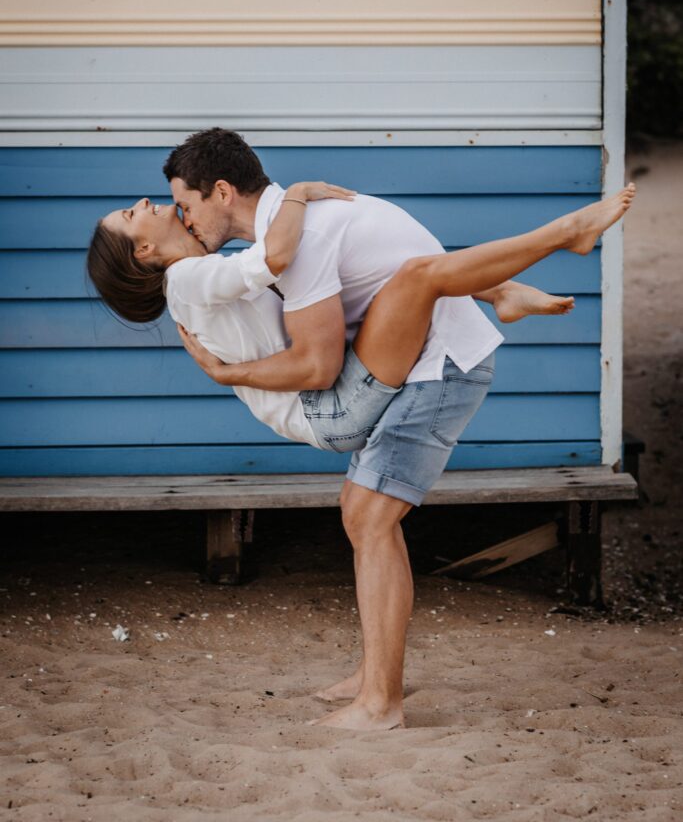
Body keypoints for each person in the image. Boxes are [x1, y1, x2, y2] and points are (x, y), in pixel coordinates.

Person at [87, 128, 636, 731]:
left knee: (367, 513)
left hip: (386, 384)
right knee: (367, 506)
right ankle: (376, 682)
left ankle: (379, 696)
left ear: (221, 192)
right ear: (144, 250)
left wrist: (231, 369)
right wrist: (297, 195)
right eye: (137, 213)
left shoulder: (255, 253)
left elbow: (327, 303)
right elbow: (295, 286)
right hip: (336, 402)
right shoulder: (206, 272)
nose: (164, 208)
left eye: (181, 202)